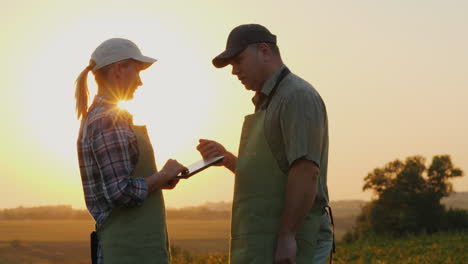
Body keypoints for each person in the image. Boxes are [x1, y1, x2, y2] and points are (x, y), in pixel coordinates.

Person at [197, 24, 333, 264]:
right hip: (271, 235)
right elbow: (270, 179)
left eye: (238, 61)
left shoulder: (296, 96)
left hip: (297, 236)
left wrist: (287, 235)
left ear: (264, 52)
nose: (234, 71)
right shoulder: (267, 101)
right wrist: (227, 158)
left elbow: (306, 171)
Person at [75, 38, 187, 264]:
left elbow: (118, 184)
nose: (140, 82)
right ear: (118, 70)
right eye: (136, 72)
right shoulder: (108, 120)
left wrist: (158, 182)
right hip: (128, 252)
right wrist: (163, 175)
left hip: (128, 249)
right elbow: (120, 192)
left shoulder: (100, 117)